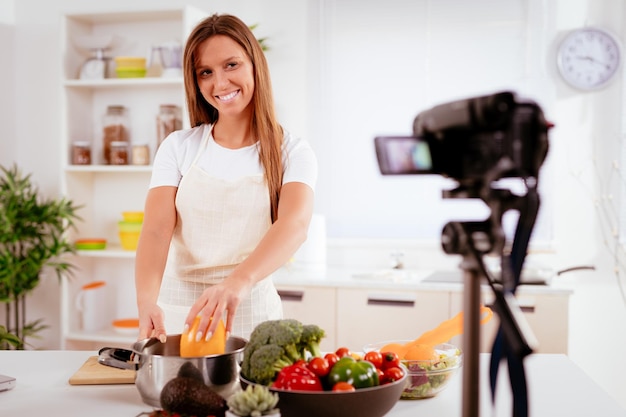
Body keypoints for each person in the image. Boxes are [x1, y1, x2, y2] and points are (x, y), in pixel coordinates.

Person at [134, 13, 317, 344]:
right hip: (177, 319)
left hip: (252, 317)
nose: (220, 83)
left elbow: (294, 225)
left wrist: (237, 282)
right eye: (206, 72)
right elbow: (156, 229)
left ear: (254, 64)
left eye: (231, 65)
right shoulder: (178, 147)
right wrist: (146, 300)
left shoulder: (292, 151)